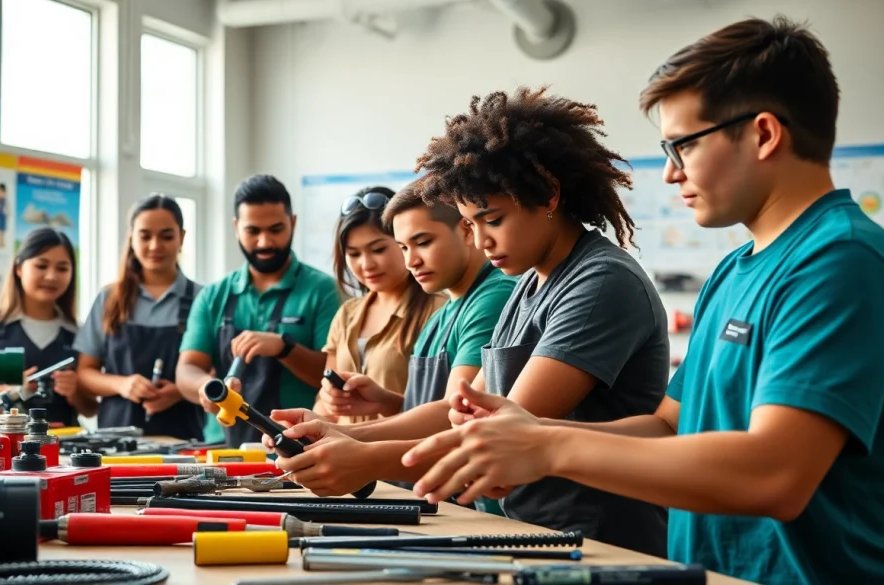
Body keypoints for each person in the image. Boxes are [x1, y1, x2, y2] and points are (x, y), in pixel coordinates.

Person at [401, 17, 884, 585]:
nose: (669, 173)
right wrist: (523, 439)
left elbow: (776, 475)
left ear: (764, 134)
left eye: (683, 145)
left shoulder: (841, 261)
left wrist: (548, 447)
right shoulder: (736, 270)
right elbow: (669, 427)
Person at [276, 89, 671, 556]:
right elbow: (458, 410)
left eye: (492, 220)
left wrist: (363, 459)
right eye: (470, 223)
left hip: (597, 540)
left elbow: (501, 437)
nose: (481, 241)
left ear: (547, 196)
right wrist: (340, 433)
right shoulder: (529, 284)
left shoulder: (601, 281)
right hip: (529, 531)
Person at [268, 178, 516, 513]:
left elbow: (453, 414)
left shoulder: (491, 297)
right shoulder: (447, 312)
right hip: (432, 498)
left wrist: (341, 438)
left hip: (470, 504)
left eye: (422, 242)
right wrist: (382, 402)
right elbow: (432, 406)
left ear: (466, 230)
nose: (411, 260)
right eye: (403, 247)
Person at [176, 174, 342, 446]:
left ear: (293, 223)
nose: (265, 242)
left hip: (297, 447)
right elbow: (187, 371)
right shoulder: (213, 297)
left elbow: (331, 375)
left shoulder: (323, 291)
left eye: (276, 229)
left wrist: (284, 348)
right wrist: (206, 387)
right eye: (253, 231)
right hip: (222, 451)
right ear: (236, 227)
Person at [75, 194, 205, 440]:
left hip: (184, 444)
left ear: (182, 237)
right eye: (145, 236)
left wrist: (180, 390)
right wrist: (122, 385)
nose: (155, 245)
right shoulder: (108, 298)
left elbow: (219, 370)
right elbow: (84, 373)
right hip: (114, 444)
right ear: (131, 238)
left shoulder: (204, 299)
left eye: (166, 236)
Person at [316, 186, 445, 423]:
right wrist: (317, 410)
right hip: (343, 455)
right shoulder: (347, 313)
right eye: (354, 254)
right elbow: (325, 408)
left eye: (378, 249)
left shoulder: (439, 311)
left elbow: (442, 411)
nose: (366, 264)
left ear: (404, 242)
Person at [0, 227, 96, 425]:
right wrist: (12, 391)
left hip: (62, 447)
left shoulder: (79, 331)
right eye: (41, 266)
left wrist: (74, 392)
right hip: (1, 448)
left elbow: (91, 409)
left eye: (62, 268)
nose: (51, 276)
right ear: (18, 268)